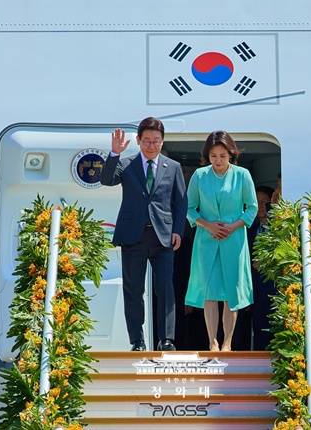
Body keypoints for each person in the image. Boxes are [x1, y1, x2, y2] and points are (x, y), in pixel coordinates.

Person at [100, 117, 188, 351]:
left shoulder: (173, 167)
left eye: (156, 141)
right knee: (133, 290)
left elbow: (181, 203)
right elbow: (106, 180)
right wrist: (114, 153)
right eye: (147, 140)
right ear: (138, 140)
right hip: (133, 236)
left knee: (165, 287)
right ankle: (137, 341)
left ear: (163, 141)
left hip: (163, 237)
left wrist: (178, 231)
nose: (151, 145)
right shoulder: (126, 164)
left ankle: (166, 339)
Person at [185, 131, 258, 351]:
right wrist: (208, 225)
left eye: (223, 156)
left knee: (230, 292)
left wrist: (233, 226)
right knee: (209, 291)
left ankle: (227, 341)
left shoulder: (242, 175)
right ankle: (212, 341)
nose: (217, 160)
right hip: (206, 241)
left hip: (233, 240)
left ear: (231, 154)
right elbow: (189, 208)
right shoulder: (199, 175)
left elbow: (252, 208)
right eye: (213, 156)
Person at [248, 185, 276, 351]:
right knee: (259, 334)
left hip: (275, 290)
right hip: (256, 292)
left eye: (265, 202)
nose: (261, 206)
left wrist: (266, 263)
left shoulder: (278, 230)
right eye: (256, 202)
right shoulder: (249, 231)